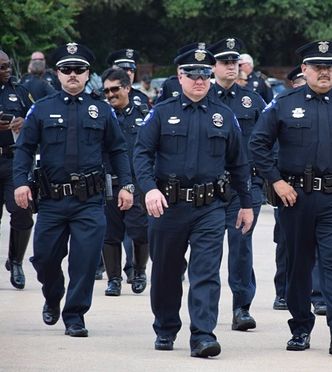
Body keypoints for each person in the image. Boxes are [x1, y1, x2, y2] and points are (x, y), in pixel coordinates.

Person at [250, 40, 332, 355]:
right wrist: (277, 182)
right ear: (305, 70)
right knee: (298, 265)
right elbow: (257, 144)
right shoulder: (284, 103)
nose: (324, 73)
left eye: (329, 67)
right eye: (318, 67)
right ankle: (300, 328)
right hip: (294, 198)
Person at [133, 45, 253, 358]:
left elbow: (239, 163)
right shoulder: (161, 113)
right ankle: (166, 326)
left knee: (206, 272)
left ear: (210, 75)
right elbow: (141, 154)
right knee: (166, 271)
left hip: (209, 207)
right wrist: (148, 189)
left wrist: (246, 203)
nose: (198, 80)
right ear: (180, 76)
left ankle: (202, 335)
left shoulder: (224, 116)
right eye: (191, 74)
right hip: (167, 206)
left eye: (204, 74)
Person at [13, 42, 133, 337]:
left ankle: (75, 315)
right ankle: (53, 296)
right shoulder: (41, 110)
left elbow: (118, 149)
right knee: (44, 259)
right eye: (67, 69)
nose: (73, 75)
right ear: (57, 73)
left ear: (87, 73)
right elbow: (25, 149)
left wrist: (126, 185)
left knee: (85, 260)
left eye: (79, 70)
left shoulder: (102, 110)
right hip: (52, 200)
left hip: (89, 201)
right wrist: (19, 182)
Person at [208, 37, 267, 331]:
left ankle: (241, 307)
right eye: (224, 62)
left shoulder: (253, 101)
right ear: (213, 66)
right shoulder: (203, 99)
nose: (231, 67)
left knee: (241, 247)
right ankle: (205, 308)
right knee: (208, 250)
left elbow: (268, 143)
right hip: (210, 188)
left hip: (244, 187)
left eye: (234, 62)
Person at [271, 65, 328, 315]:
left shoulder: (325, 108)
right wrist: (275, 180)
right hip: (287, 189)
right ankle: (283, 290)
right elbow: (268, 147)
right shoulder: (281, 106)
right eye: (298, 82)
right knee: (286, 244)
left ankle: (318, 295)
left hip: (321, 194)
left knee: (319, 247)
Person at [100, 68, 149, 296]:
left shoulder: (144, 115)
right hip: (109, 180)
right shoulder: (100, 116)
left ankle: (139, 271)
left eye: (115, 89)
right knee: (111, 233)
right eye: (106, 90)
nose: (110, 94)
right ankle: (114, 279)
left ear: (127, 88)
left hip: (137, 181)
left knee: (139, 230)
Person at [0, 50, 35, 290]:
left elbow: (36, 115)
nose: (7, 70)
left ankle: (16, 261)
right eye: (2, 67)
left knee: (22, 210)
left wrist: (24, 122)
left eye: (8, 66)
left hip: (15, 161)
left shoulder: (19, 91)